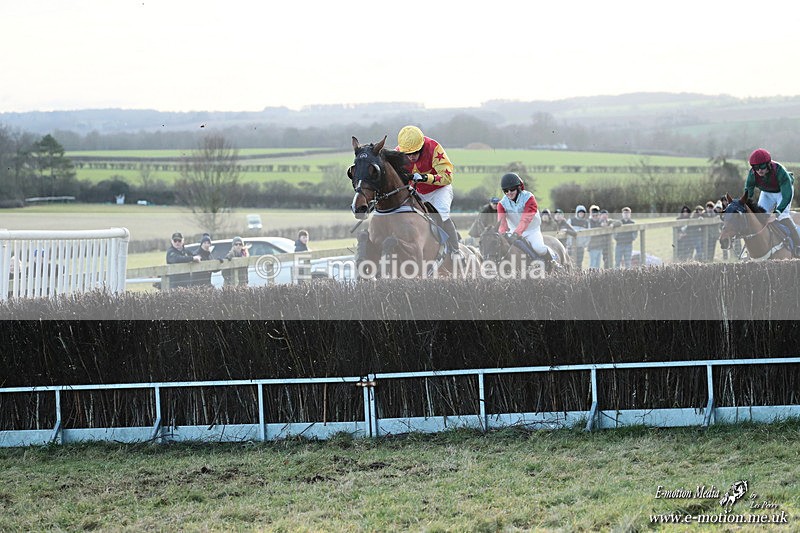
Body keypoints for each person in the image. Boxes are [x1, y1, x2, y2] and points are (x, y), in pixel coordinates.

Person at [396, 125, 461, 258]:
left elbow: (447, 177)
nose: (411, 157)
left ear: (422, 146)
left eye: (415, 152)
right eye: (408, 154)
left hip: (439, 190)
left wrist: (425, 177)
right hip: (417, 190)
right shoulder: (397, 153)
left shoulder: (434, 148)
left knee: (441, 214)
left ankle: (455, 250)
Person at [744, 148, 800, 255]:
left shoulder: (780, 171)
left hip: (782, 193)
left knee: (783, 216)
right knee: (760, 216)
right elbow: (748, 193)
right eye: (756, 167)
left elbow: (786, 196)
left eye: (762, 166)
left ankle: (798, 245)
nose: (759, 170)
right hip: (766, 193)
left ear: (768, 164)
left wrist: (776, 213)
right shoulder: (752, 174)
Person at [496, 172, 554, 270]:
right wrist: (503, 233)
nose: (509, 193)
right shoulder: (501, 204)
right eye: (506, 191)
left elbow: (526, 219)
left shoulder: (529, 198)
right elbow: (502, 222)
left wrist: (516, 234)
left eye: (512, 189)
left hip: (532, 230)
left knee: (539, 248)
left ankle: (553, 261)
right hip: (513, 231)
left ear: (518, 188)